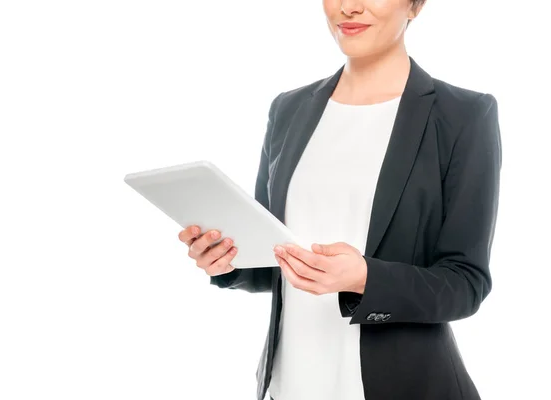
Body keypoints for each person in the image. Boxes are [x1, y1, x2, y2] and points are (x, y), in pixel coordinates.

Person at [177, 0, 502, 399]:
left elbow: (466, 283)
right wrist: (225, 259)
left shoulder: (463, 116)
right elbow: (270, 261)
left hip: (403, 386)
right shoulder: (288, 109)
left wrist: (365, 278)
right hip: (290, 385)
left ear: (415, 5)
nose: (349, 7)